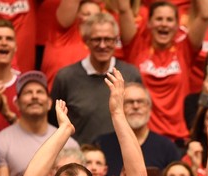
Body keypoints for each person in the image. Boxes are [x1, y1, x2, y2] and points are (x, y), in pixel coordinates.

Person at [117, 0, 208, 142]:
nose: (164, 24)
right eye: (159, 19)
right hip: (140, 137)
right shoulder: (135, 47)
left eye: (169, 20)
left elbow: (205, 15)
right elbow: (124, 8)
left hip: (178, 138)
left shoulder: (185, 49)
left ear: (177, 25)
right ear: (148, 23)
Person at [50, 12, 142, 146]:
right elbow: (54, 122)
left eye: (108, 39)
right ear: (86, 40)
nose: (103, 45)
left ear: (116, 40)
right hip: (80, 158)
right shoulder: (66, 77)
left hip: (122, 155)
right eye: (97, 39)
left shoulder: (130, 74)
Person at [93, 82, 180, 176]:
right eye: (129, 102)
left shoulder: (166, 147)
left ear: (149, 108)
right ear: (119, 107)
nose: (135, 106)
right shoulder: (101, 144)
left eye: (141, 102)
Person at [0, 77, 79, 176]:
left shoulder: (70, 143)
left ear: (50, 103)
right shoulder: (1, 141)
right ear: (17, 103)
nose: (34, 96)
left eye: (40, 92)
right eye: (28, 92)